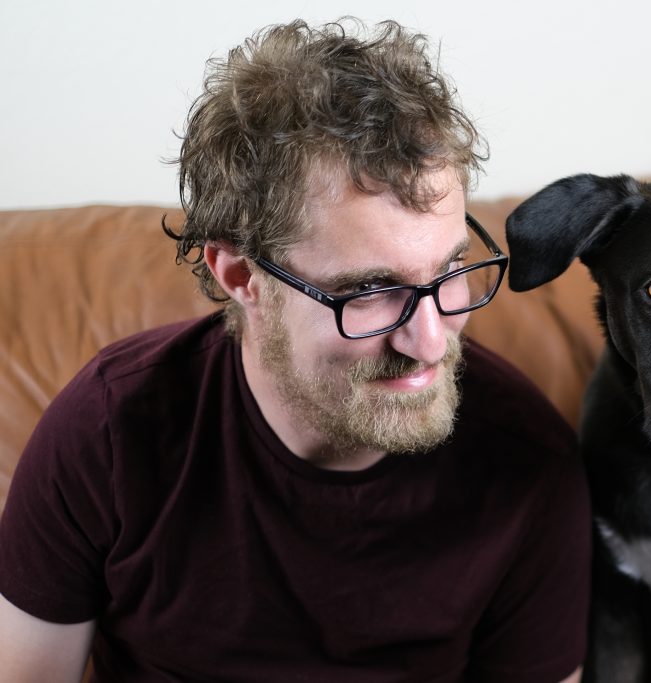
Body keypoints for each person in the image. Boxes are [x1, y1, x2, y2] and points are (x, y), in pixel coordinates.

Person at [0, 19, 590, 682]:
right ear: (241, 277)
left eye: (450, 271)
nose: (429, 340)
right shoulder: (108, 431)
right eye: (369, 290)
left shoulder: (529, 464)